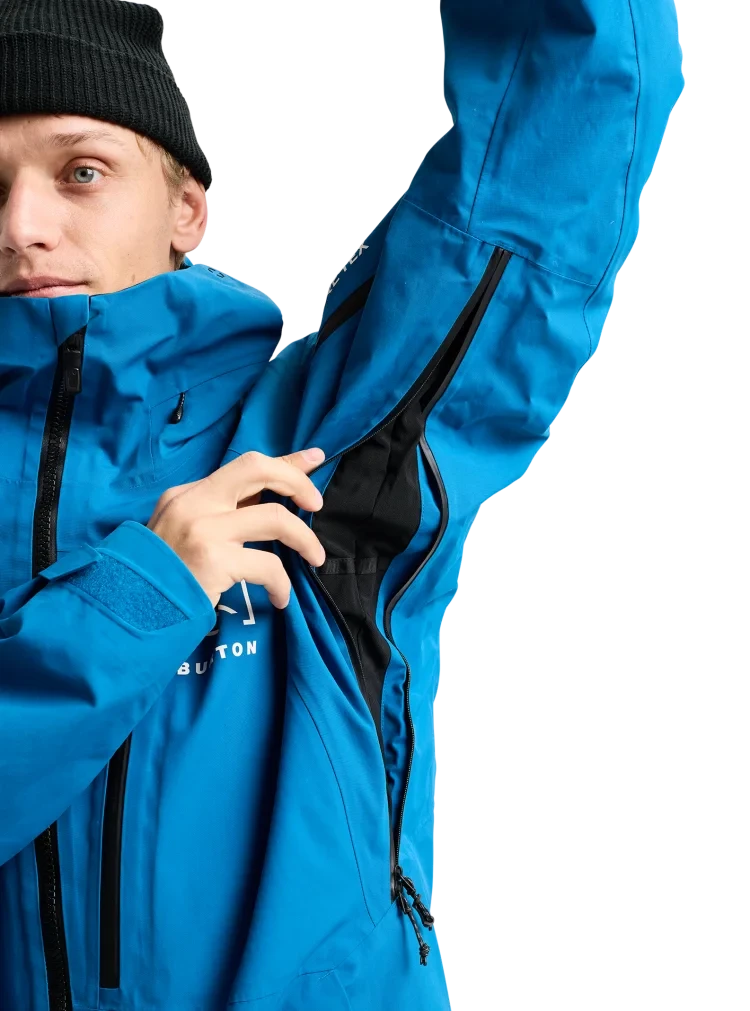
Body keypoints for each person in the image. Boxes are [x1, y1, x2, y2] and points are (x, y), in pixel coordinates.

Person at [0, 1, 685, 1008]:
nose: (21, 226)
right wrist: (144, 592)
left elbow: (551, 145)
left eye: (82, 172)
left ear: (187, 208)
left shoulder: (320, 437)